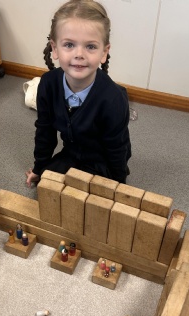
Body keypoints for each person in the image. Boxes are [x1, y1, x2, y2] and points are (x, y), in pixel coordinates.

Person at [25, 0, 131, 187]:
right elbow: (44, 132)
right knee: (47, 185)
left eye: (90, 46)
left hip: (102, 160)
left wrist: (118, 184)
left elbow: (117, 148)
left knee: (92, 198)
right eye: (69, 45)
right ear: (55, 49)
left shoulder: (113, 99)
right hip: (72, 152)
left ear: (104, 52)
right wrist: (40, 168)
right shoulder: (48, 85)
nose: (79, 54)